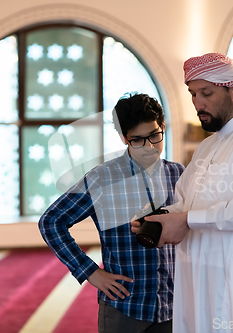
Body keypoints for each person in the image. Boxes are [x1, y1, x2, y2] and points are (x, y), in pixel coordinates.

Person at [132, 53, 233, 332]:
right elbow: (185, 202)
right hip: (199, 273)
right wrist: (160, 218)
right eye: (193, 94)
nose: (198, 103)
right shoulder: (207, 147)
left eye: (206, 93)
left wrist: (188, 220)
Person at [39, 93, 185, 333]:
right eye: (137, 140)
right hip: (124, 307)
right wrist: (91, 272)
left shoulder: (179, 175)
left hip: (173, 307)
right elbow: (51, 222)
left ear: (163, 127)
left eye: (154, 136)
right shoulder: (102, 179)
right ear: (124, 138)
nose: (149, 147)